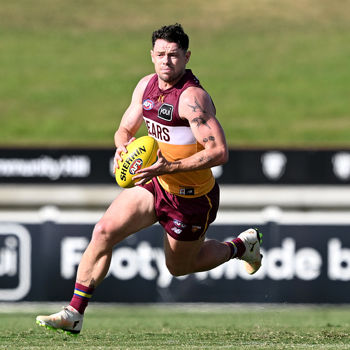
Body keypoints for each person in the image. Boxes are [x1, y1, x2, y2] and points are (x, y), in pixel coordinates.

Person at [36, 23, 262, 335]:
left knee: (179, 267)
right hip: (155, 183)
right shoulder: (145, 87)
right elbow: (124, 130)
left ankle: (241, 247)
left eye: (173, 55)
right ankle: (74, 313)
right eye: (160, 54)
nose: (166, 61)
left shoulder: (192, 98)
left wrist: (169, 167)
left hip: (191, 196)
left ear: (186, 57)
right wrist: (121, 148)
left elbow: (219, 152)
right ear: (151, 55)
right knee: (103, 231)